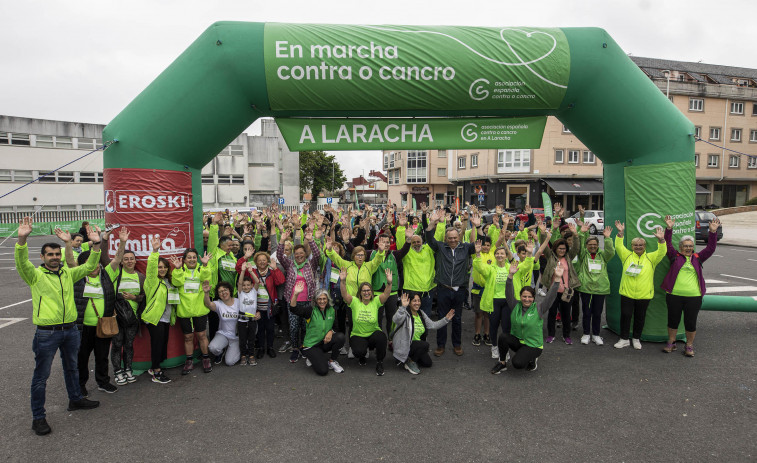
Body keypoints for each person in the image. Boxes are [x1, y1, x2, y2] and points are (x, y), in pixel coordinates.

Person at [15, 217, 101, 436]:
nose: (54, 258)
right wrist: (22, 240)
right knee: (41, 377)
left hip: (71, 330)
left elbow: (91, 266)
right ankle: (38, 417)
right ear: (43, 257)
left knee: (72, 367)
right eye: (49, 255)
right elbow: (22, 263)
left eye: (56, 254)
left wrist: (96, 244)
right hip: (47, 333)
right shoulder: (35, 275)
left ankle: (75, 399)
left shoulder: (68, 274)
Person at [70, 226, 127, 396]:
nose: (94, 267)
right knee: (82, 358)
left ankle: (103, 381)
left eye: (95, 264)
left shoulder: (106, 274)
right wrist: (67, 243)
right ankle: (80, 385)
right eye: (89, 264)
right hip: (82, 326)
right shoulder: (78, 276)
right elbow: (70, 261)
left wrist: (122, 242)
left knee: (102, 356)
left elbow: (117, 259)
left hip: (103, 324)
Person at [661, 215, 720, 357]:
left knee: (690, 322)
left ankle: (689, 345)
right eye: (686, 246)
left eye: (690, 246)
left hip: (694, 297)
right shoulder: (674, 256)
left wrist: (712, 232)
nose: (688, 248)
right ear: (681, 247)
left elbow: (711, 248)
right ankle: (671, 343)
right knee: (672, 320)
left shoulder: (698, 258)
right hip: (674, 295)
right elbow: (667, 243)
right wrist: (669, 228)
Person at [490, 261, 564, 374]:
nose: (527, 299)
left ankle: (533, 359)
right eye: (524, 296)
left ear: (534, 298)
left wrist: (557, 278)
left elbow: (551, 296)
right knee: (503, 337)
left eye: (530, 297)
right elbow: (508, 292)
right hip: (519, 342)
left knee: (518, 364)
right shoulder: (515, 305)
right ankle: (502, 363)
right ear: (520, 297)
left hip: (533, 345)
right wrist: (510, 276)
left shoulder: (539, 308)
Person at [425, 208, 477, 356]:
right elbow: (429, 239)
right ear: (446, 238)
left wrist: (476, 226)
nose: (453, 240)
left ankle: (457, 345)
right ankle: (440, 345)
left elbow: (478, 243)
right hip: (443, 289)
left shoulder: (465, 248)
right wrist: (431, 224)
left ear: (459, 237)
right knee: (442, 318)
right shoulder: (440, 247)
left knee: (457, 318)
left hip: (459, 290)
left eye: (455, 237)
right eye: (450, 238)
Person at [613, 220, 667, 350]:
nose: (638, 247)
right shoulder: (626, 256)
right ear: (631, 246)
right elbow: (619, 246)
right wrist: (620, 233)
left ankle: (636, 338)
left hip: (644, 294)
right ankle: (624, 339)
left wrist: (661, 240)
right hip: (627, 293)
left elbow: (662, 252)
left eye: (641, 245)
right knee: (625, 316)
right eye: (635, 245)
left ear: (645, 246)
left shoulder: (651, 258)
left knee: (640, 317)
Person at [105, 235, 145, 386]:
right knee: (116, 344)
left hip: (132, 318)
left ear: (135, 261)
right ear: (121, 261)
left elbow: (144, 297)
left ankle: (128, 369)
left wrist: (135, 297)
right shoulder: (116, 273)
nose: (129, 261)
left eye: (131, 259)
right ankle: (117, 371)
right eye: (126, 259)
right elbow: (111, 258)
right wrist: (122, 242)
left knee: (128, 344)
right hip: (116, 316)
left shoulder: (140, 276)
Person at [278, 229, 321, 363]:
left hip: (308, 302)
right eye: (296, 253)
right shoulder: (290, 264)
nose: (299, 255)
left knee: (305, 326)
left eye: (301, 253)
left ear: (305, 254)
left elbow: (318, 255)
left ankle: (304, 347)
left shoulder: (310, 265)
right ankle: (295, 348)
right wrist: (281, 240)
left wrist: (311, 240)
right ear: (294, 255)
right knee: (294, 326)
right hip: (293, 302)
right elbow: (280, 255)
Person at [340, 268, 393, 375]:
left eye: (368, 290)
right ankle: (362, 355)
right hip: (358, 335)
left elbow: (386, 294)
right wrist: (342, 281)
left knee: (382, 337)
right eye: (364, 290)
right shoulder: (354, 301)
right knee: (359, 351)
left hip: (373, 333)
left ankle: (379, 362)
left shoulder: (376, 301)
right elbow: (344, 294)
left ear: (371, 292)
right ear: (360, 292)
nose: (366, 292)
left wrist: (389, 282)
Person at [141, 234, 178, 384]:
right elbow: (150, 269)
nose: (161, 269)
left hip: (166, 318)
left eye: (164, 267)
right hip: (155, 318)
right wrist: (155, 252)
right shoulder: (152, 281)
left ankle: (154, 367)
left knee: (162, 345)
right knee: (157, 345)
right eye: (159, 267)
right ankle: (156, 372)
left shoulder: (169, 281)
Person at [170, 248, 213, 374]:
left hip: (199, 309)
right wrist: (177, 269)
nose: (192, 259)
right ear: (184, 260)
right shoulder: (180, 271)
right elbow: (176, 283)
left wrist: (205, 264)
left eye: (194, 257)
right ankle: (189, 360)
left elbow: (206, 279)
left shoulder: (201, 269)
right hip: (184, 310)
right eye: (189, 257)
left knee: (201, 335)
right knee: (188, 337)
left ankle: (206, 358)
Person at [391, 292, 454, 375]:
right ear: (409, 303)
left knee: (427, 363)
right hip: (404, 345)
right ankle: (410, 361)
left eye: (419, 301)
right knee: (425, 345)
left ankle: (408, 359)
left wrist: (446, 319)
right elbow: (395, 319)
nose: (417, 303)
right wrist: (402, 307)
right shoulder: (405, 313)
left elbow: (433, 325)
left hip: (417, 345)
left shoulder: (421, 313)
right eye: (414, 301)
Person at [290, 284, 346, 375]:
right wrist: (296, 294)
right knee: (323, 371)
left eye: (324, 299)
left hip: (324, 342)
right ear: (315, 300)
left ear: (328, 300)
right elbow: (293, 309)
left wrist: (330, 332)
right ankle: (312, 356)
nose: (322, 301)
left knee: (340, 337)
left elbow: (336, 327)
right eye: (319, 299)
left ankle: (332, 361)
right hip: (311, 345)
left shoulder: (331, 310)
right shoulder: (310, 310)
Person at [239, 250, 285, 360]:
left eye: (264, 260)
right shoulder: (252, 271)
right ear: (256, 262)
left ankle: (270, 347)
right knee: (260, 328)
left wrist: (275, 268)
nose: (262, 262)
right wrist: (245, 258)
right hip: (256, 307)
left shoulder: (271, 271)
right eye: (259, 260)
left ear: (267, 261)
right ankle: (260, 348)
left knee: (270, 328)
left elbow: (281, 281)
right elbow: (238, 269)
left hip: (269, 306)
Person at [575, 223, 615, 345]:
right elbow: (579, 247)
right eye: (590, 244)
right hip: (586, 288)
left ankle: (596, 335)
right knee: (586, 313)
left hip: (600, 288)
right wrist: (581, 233)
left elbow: (610, 251)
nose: (592, 246)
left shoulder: (603, 256)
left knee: (597, 313)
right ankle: (586, 334)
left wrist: (607, 238)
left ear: (598, 245)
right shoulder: (583, 255)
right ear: (587, 246)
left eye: (595, 244)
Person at [541, 224, 581, 345]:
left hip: (566, 291)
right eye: (560, 248)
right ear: (555, 248)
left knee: (566, 315)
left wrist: (575, 235)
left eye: (564, 248)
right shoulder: (551, 256)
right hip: (553, 291)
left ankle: (566, 335)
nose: (562, 250)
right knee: (552, 314)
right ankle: (551, 335)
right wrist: (543, 233)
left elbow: (576, 248)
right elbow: (544, 246)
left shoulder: (569, 257)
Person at [202, 281, 242, 366]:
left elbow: (249, 309)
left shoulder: (238, 302)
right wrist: (206, 293)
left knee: (230, 362)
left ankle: (236, 348)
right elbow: (208, 304)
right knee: (213, 348)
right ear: (218, 294)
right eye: (220, 292)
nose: (223, 293)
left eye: (225, 290)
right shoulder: (218, 303)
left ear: (230, 290)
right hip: (223, 334)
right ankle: (221, 351)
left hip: (236, 337)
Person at [237, 262, 261, 365]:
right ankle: (243, 355)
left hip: (252, 320)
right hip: (242, 320)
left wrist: (251, 271)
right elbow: (239, 283)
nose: (246, 287)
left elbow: (257, 281)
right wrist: (242, 271)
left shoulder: (253, 292)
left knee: (251, 339)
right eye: (244, 285)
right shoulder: (240, 293)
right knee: (242, 340)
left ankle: (251, 355)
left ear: (251, 286)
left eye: (248, 285)